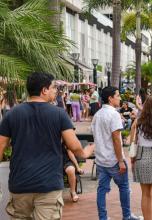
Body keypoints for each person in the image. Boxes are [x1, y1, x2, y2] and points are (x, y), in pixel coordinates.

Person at [0, 72, 94, 219]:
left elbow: (0, 148)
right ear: (44, 90)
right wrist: (86, 152)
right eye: (53, 87)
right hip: (48, 185)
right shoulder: (59, 114)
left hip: (20, 184)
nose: (56, 91)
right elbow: (74, 146)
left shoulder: (12, 114)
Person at [91, 86, 142, 220]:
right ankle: (126, 216)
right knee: (124, 187)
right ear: (110, 98)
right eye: (118, 95)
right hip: (113, 160)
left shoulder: (97, 115)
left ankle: (103, 217)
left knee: (102, 190)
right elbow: (116, 139)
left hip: (101, 160)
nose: (120, 98)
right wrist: (120, 160)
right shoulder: (113, 114)